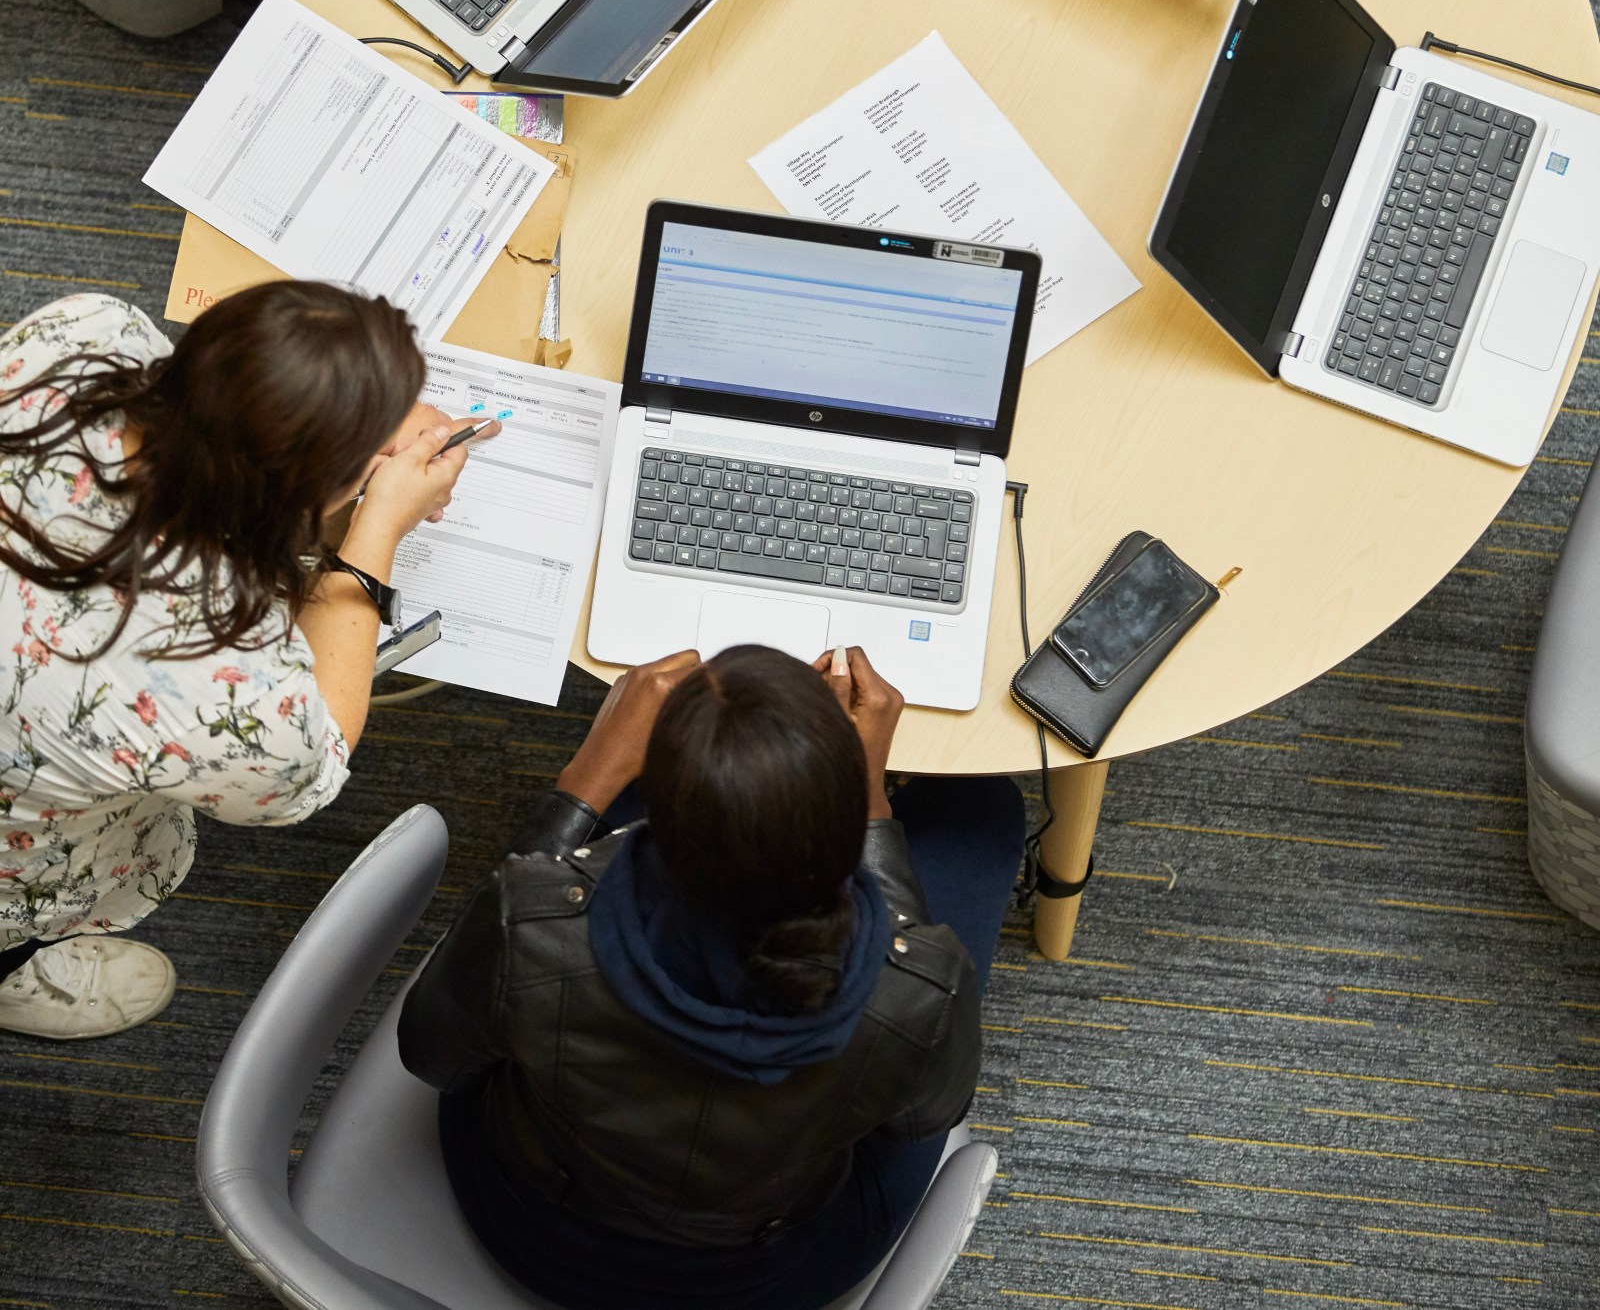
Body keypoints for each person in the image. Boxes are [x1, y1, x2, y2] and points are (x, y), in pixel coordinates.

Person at [398, 643, 1024, 1310]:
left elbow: (432, 1057)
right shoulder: (918, 992)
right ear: (834, 842)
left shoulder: (526, 920)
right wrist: (870, 802)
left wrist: (584, 781)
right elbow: (926, 1116)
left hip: (537, 1229)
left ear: (657, 817)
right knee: (985, 813)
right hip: (756, 1280)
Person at [0, 286, 486, 1040]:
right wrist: (377, 527)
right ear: (306, 492)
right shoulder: (210, 673)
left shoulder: (86, 334)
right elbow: (312, 765)